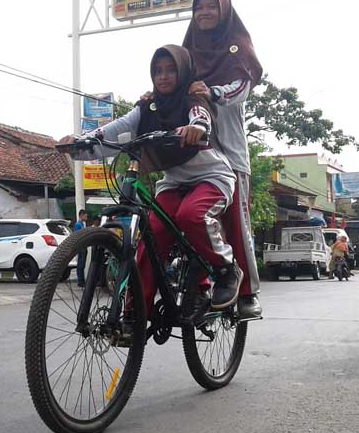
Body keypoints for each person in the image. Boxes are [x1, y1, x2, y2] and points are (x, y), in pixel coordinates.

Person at [58, 44, 240, 320]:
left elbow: (201, 119)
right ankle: (135, 313)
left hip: (212, 177)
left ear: (183, 73)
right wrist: (78, 145)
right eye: (158, 71)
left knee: (191, 215)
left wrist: (197, 129)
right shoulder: (146, 108)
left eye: (171, 70)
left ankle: (227, 270)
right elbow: (113, 131)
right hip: (174, 185)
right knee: (151, 235)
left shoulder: (193, 100)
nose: (163, 77)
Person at [182, 0, 264, 320]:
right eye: (198, 7)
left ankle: (248, 294)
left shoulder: (236, 45)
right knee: (189, 218)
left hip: (229, 153)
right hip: (194, 156)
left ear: (224, 10)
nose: (204, 12)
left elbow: (243, 85)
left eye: (211, 6)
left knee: (236, 223)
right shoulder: (188, 50)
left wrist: (213, 93)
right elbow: (173, 84)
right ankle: (198, 286)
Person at [74, 209, 88, 287]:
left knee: (82, 265)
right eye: (85, 216)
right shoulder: (78, 225)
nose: (86, 218)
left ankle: (82, 280)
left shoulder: (82, 224)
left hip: (84, 246)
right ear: (81, 215)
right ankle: (80, 281)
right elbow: (77, 236)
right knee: (81, 264)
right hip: (81, 247)